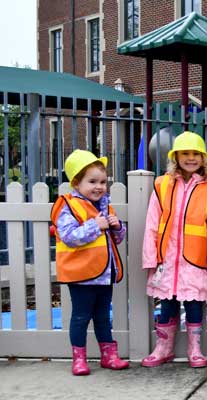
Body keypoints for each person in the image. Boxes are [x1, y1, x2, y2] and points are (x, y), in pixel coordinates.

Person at [141, 131, 207, 368]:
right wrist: (151, 257)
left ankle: (194, 349)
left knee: (195, 304)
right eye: (185, 153)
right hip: (166, 258)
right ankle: (163, 348)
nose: (190, 158)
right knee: (166, 304)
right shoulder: (162, 184)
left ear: (203, 158)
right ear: (176, 157)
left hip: (195, 260)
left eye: (195, 154)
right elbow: (152, 222)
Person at [51, 150, 129, 375]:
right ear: (76, 183)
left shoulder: (105, 206)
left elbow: (116, 240)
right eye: (92, 181)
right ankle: (79, 359)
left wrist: (116, 227)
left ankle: (109, 355)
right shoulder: (67, 205)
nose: (99, 186)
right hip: (82, 275)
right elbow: (69, 236)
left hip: (104, 274)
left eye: (103, 182)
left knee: (104, 316)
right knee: (81, 317)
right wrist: (97, 225)